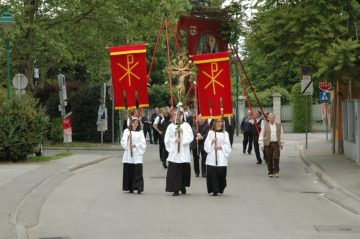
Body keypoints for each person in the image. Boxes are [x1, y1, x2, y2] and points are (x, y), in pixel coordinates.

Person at [164, 109, 194, 196]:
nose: (177, 117)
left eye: (179, 115)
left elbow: (190, 136)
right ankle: (175, 189)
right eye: (176, 115)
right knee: (174, 170)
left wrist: (182, 132)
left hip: (183, 152)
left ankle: (182, 186)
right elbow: (167, 138)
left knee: (183, 170)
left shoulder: (186, 125)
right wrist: (174, 140)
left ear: (182, 116)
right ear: (173, 116)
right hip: (174, 152)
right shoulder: (170, 127)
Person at [204, 118, 232, 196]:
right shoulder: (211, 133)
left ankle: (220, 187)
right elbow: (206, 144)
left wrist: (221, 147)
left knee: (220, 173)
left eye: (220, 122)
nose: (219, 123)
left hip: (221, 155)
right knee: (212, 173)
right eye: (217, 122)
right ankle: (214, 190)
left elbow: (228, 145)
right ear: (215, 123)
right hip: (212, 155)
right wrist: (212, 141)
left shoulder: (225, 133)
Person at [120, 118, 146, 194]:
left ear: (138, 124)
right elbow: (123, 142)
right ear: (131, 124)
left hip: (137, 154)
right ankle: (130, 187)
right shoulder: (127, 131)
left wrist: (135, 145)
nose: (135, 124)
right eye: (134, 123)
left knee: (138, 170)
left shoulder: (140, 132)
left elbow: (143, 143)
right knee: (129, 171)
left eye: (136, 123)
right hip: (128, 154)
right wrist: (128, 138)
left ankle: (139, 187)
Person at [259, 113, 284, 178]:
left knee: (276, 158)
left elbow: (282, 135)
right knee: (269, 158)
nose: (272, 119)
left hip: (276, 143)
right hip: (267, 144)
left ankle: (276, 171)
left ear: (274, 118)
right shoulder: (265, 125)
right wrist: (261, 145)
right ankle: (270, 171)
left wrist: (282, 143)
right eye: (270, 117)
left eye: (273, 117)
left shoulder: (279, 125)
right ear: (268, 119)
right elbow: (261, 135)